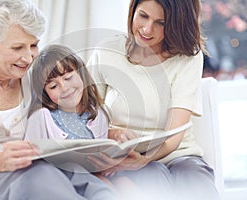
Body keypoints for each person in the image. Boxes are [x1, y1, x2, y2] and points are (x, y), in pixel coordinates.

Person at [0, 1, 115, 200]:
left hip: (26, 169)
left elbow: (62, 116)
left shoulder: (31, 79)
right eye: (17, 48)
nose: (28, 58)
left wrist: (113, 132)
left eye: (33, 45)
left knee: (83, 178)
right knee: (41, 175)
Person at [87, 0, 220, 200]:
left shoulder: (187, 58)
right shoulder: (107, 51)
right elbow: (83, 113)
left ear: (177, 23)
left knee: (196, 182)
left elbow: (174, 133)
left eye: (162, 23)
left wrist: (145, 159)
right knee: (152, 177)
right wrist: (111, 133)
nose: (147, 29)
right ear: (133, 10)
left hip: (177, 153)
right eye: (143, 16)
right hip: (124, 155)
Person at [24, 44, 120, 198]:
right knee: (101, 187)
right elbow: (30, 161)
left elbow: (102, 151)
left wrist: (107, 164)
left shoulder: (98, 113)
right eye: (54, 86)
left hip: (94, 175)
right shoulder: (42, 117)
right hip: (59, 181)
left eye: (68, 77)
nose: (65, 87)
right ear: (45, 94)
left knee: (123, 183)